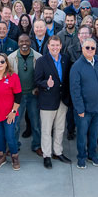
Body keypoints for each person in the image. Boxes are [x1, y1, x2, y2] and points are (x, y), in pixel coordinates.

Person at [34, 35, 71, 169]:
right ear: (48, 46)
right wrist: (46, 83)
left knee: (60, 128)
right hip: (47, 100)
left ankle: (58, 152)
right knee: (46, 129)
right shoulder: (41, 61)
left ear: (61, 46)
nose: (55, 47)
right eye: (52, 45)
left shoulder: (66, 59)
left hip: (62, 100)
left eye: (57, 45)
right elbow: (37, 81)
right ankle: (47, 155)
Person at [70, 38, 98, 169]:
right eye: (87, 47)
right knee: (82, 135)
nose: (90, 50)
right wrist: (80, 109)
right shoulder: (77, 66)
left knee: (94, 135)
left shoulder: (97, 62)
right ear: (82, 48)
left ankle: (92, 155)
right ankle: (81, 157)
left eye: (92, 48)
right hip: (84, 110)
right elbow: (75, 90)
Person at [0, 53, 23, 170]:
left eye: (2, 61)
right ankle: (1, 156)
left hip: (9, 114)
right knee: (0, 136)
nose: (0, 64)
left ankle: (14, 156)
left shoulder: (13, 77)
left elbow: (18, 96)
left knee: (10, 137)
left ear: (6, 63)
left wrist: (13, 111)